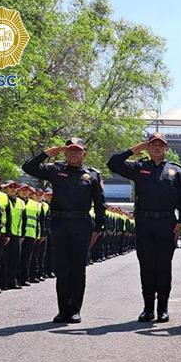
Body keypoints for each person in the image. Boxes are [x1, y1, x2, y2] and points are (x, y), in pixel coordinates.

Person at [107, 132, 181, 323]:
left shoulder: (176, 170)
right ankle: (147, 308)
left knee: (163, 267)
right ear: (148, 147)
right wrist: (135, 149)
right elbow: (113, 164)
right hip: (145, 223)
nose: (157, 147)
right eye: (153, 145)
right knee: (146, 266)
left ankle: (163, 308)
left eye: (161, 145)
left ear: (166, 148)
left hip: (167, 223)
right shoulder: (139, 166)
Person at [23, 138, 106, 324]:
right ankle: (62, 310)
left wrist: (99, 228)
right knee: (62, 269)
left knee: (78, 269)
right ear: (65, 152)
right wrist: (47, 153)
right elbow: (28, 167)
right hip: (60, 223)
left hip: (81, 224)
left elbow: (100, 204)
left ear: (84, 153)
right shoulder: (56, 169)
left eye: (77, 150)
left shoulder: (92, 175)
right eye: (70, 150)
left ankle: (75, 310)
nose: (74, 153)